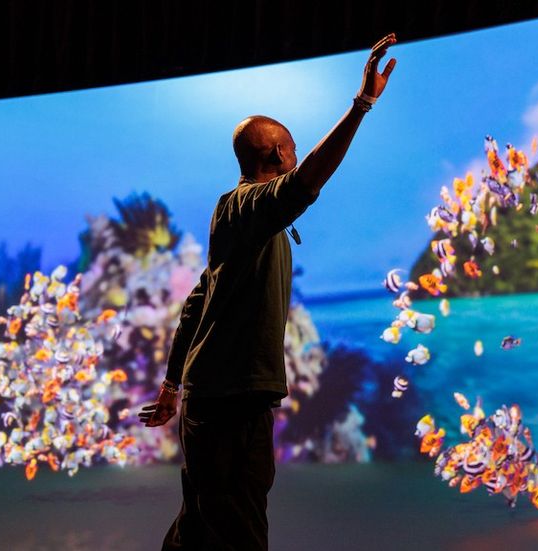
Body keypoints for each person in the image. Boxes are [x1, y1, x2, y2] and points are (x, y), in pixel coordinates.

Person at [139, 33, 398, 550]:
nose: (297, 155)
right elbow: (305, 184)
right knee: (237, 530)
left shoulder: (240, 220)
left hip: (214, 401)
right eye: (293, 148)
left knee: (200, 525)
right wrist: (362, 106)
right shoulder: (246, 207)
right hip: (232, 404)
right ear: (279, 153)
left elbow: (198, 304)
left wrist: (172, 385)